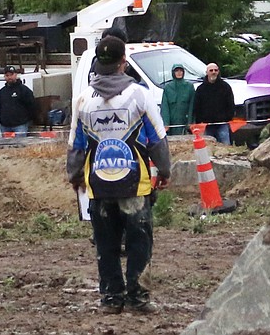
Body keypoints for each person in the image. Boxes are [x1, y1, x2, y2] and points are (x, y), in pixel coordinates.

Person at [67, 35, 171, 314]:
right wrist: (165, 170)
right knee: (139, 243)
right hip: (134, 186)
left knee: (106, 245)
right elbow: (157, 140)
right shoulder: (139, 94)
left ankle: (111, 299)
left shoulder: (83, 100)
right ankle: (138, 299)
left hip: (99, 186)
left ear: (98, 63)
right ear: (123, 62)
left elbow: (76, 145)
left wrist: (74, 176)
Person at [193, 62, 234, 146]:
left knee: (226, 148)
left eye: (216, 70)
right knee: (208, 148)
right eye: (211, 70)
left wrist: (228, 117)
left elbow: (230, 104)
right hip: (207, 125)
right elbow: (197, 106)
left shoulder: (225, 87)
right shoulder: (201, 89)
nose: (213, 72)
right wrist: (200, 120)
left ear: (218, 72)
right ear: (207, 72)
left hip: (222, 124)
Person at [0, 66, 37, 137]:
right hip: (5, 126)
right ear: (4, 76)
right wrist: (3, 118)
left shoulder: (24, 90)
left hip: (20, 126)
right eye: (7, 75)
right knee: (7, 147)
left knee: (20, 146)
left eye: (11, 75)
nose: (9, 77)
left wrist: (26, 119)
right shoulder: (2, 91)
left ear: (16, 75)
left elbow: (32, 106)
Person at [159, 64, 195, 136]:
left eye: (181, 71)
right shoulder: (168, 87)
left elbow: (192, 106)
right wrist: (166, 124)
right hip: (172, 122)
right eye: (176, 71)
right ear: (173, 73)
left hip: (185, 121)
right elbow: (165, 107)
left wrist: (190, 122)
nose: (179, 73)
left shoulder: (189, 86)